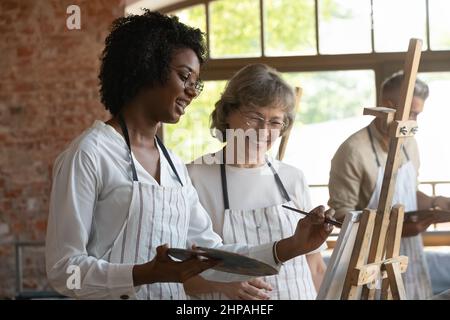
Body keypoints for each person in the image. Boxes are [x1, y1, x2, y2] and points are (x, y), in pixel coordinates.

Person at [45, 11, 333, 300]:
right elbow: (64, 271)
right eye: (184, 77)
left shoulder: (173, 165)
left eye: (196, 82)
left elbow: (211, 254)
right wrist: (146, 272)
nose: (192, 92)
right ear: (146, 67)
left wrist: (292, 246)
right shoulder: (90, 154)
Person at [184, 64, 328, 300]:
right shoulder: (193, 177)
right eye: (255, 117)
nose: (264, 130)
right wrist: (221, 285)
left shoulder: (292, 178)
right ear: (228, 113)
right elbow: (177, 277)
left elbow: (315, 267)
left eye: (275, 122)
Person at [328, 71, 450, 299]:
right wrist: (390, 229)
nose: (414, 122)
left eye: (418, 114)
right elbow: (340, 215)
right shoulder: (353, 150)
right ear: (388, 105)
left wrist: (434, 203)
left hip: (410, 255)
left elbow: (409, 193)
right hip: (369, 262)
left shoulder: (410, 143)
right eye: (411, 113)